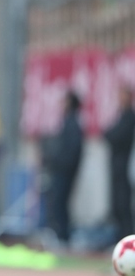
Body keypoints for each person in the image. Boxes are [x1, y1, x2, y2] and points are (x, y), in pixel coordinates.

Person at [46, 90, 84, 243]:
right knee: (58, 202)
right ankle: (61, 234)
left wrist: (59, 164)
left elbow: (72, 151)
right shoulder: (68, 121)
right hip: (62, 170)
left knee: (60, 202)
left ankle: (63, 235)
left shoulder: (73, 123)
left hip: (64, 171)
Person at [104, 86, 135, 240]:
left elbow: (116, 135)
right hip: (116, 167)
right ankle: (119, 237)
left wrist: (111, 135)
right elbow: (109, 133)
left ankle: (128, 237)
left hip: (125, 167)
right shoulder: (120, 115)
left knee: (124, 205)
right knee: (116, 205)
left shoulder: (130, 117)